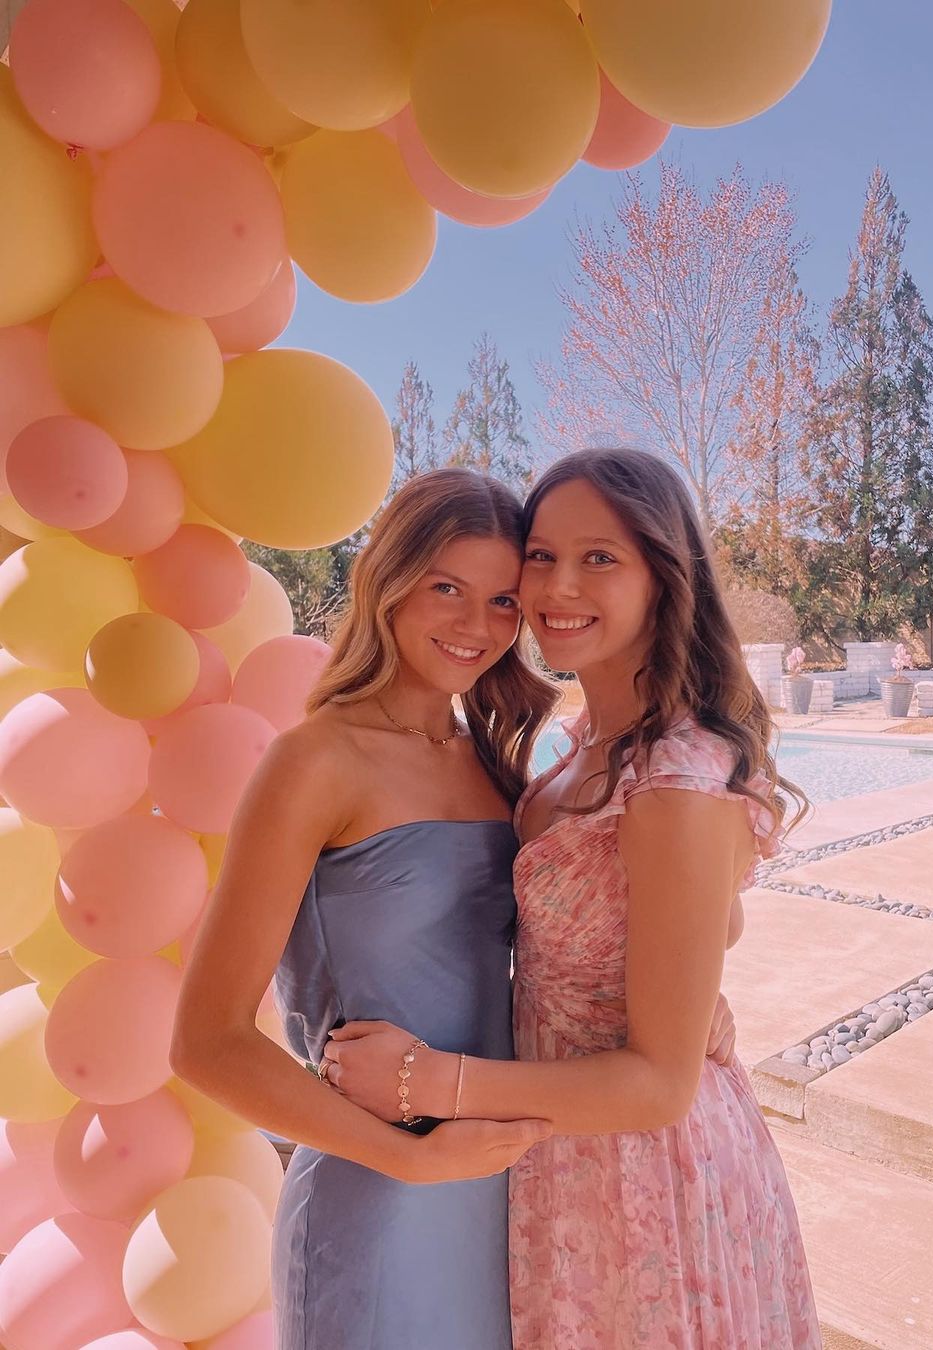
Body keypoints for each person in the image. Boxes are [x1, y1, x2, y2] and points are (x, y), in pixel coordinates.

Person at [323, 448, 821, 1349]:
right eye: (542, 556)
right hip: (566, 1154)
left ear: (663, 578)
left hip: (646, 1178)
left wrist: (429, 1081)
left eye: (600, 558)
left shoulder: (672, 777)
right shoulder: (589, 742)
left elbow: (659, 1086)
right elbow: (704, 914)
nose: (558, 586)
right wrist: (683, 981)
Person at [171, 468, 558, 1350]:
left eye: (503, 600)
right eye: (447, 588)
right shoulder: (315, 760)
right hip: (377, 1197)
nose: (476, 625)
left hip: (496, 1194)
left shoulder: (491, 761)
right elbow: (205, 1042)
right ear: (390, 579)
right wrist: (411, 1158)